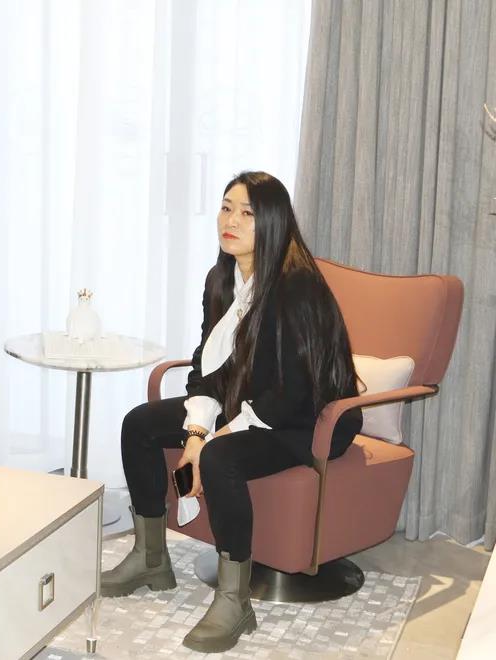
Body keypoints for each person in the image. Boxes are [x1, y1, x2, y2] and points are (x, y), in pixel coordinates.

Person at [102, 171, 362, 653]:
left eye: (247, 213)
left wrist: (211, 443)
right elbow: (207, 363)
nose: (231, 221)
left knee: (221, 458)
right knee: (139, 423)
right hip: (245, 400)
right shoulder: (221, 278)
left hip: (306, 420)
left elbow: (293, 392)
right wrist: (196, 431)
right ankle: (151, 558)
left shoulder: (298, 287)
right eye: (226, 208)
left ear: (273, 222)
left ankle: (234, 599)